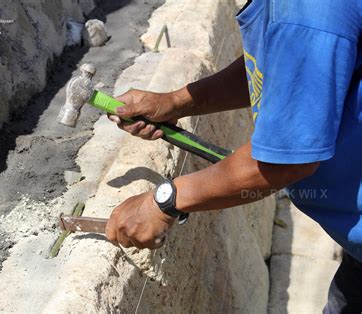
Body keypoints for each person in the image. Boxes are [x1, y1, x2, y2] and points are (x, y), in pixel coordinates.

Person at [105, 0, 362, 312]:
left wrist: (165, 201)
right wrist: (179, 102)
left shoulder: (308, 11)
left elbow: (285, 161)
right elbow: (284, 64)